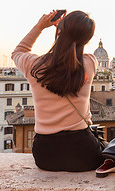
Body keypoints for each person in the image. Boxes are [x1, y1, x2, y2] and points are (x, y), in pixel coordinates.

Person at [12, 10, 104, 172]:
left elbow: (18, 52)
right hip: (84, 154)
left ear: (59, 32)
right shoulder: (90, 62)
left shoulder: (34, 65)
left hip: (46, 155)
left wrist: (40, 26)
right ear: (87, 39)